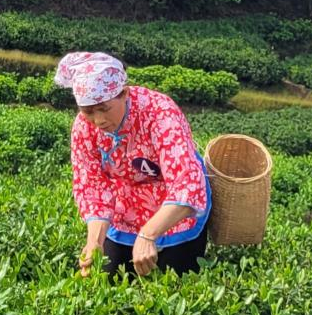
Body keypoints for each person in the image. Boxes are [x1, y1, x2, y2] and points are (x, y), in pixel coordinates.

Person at [57, 52, 211, 278]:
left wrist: (148, 235)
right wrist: (94, 241)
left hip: (173, 206)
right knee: (108, 276)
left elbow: (186, 184)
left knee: (174, 278)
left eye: (104, 109)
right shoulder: (83, 127)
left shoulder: (160, 113)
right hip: (126, 203)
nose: (98, 120)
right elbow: (92, 186)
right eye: (88, 111)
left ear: (124, 94)